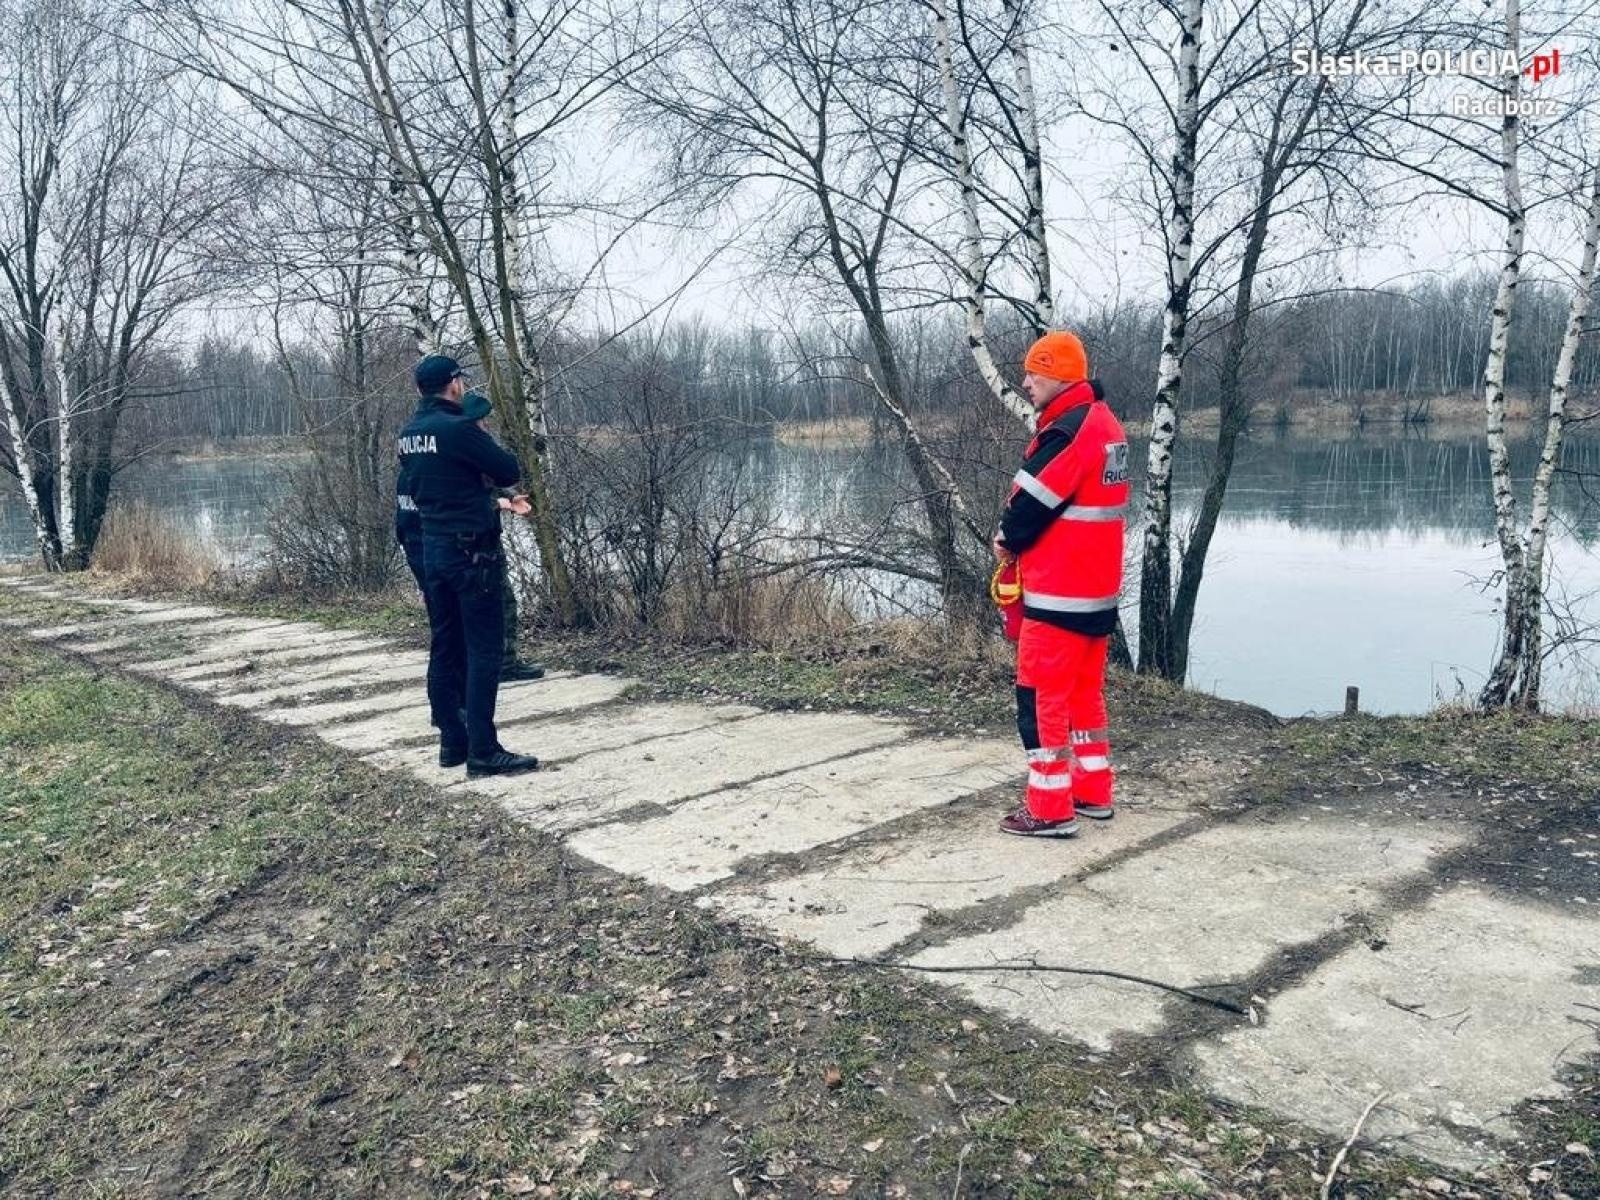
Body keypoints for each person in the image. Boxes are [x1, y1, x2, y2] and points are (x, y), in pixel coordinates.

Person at [992, 331, 1130, 838]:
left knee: (1040, 698)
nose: (1026, 382)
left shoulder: (1069, 431)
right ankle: (1092, 791)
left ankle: (1049, 809)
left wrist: (1006, 539)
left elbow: (1029, 504)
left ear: (1058, 374)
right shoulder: (1106, 424)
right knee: (1083, 696)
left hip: (1059, 594)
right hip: (1096, 593)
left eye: (1034, 372)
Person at [397, 355, 540, 777]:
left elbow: (433, 487)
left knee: (446, 645)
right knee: (483, 650)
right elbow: (508, 468)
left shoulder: (409, 434)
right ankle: (483, 749)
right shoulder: (457, 428)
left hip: (433, 549)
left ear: (419, 389)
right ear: (454, 384)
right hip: (471, 553)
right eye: (460, 381)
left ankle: (452, 742)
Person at [396, 389, 545, 683]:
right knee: (485, 611)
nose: (484, 427)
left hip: (436, 549)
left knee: (456, 619)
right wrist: (499, 503)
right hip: (460, 548)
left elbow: (478, 486)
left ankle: (479, 670)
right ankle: (493, 669)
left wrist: (505, 498)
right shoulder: (452, 451)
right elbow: (459, 501)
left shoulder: (425, 457)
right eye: (479, 421)